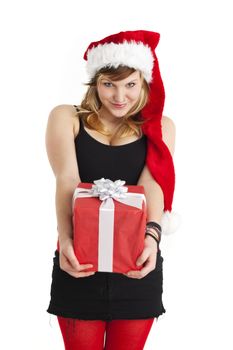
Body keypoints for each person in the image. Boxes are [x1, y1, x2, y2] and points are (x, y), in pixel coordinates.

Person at [45, 30, 176, 350]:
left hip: (136, 262)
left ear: (144, 83)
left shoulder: (161, 127)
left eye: (130, 84)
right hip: (79, 259)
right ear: (95, 83)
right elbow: (67, 180)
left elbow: (151, 184)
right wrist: (66, 242)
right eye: (109, 85)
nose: (120, 96)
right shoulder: (67, 118)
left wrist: (153, 237)